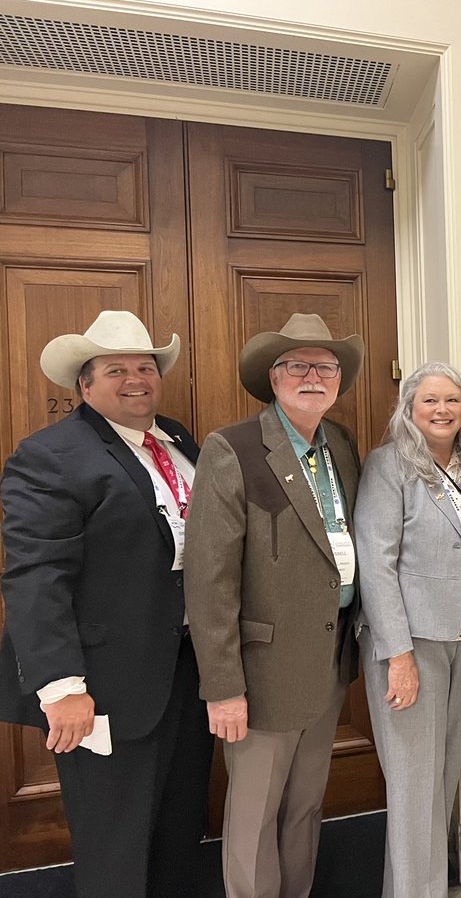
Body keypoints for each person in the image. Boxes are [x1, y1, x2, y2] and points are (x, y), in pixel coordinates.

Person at [0, 310, 212, 897]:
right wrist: (62, 688)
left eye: (145, 367)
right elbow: (36, 576)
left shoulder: (176, 439)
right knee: (115, 843)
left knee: (178, 830)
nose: (135, 379)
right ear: (85, 386)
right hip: (104, 687)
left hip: (185, 674)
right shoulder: (52, 455)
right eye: (115, 369)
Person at [185, 313, 364, 898]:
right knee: (254, 816)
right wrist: (223, 686)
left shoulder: (340, 443)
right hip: (259, 677)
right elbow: (210, 580)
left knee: (305, 807)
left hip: (329, 664)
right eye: (298, 365)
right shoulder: (231, 448)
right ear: (273, 376)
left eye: (325, 366)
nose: (313, 376)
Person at [355, 361, 461, 898]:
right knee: (413, 789)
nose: (441, 410)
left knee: (443, 778)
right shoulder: (389, 467)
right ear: (409, 410)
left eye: (452, 400)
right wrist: (398, 655)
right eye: (429, 400)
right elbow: (376, 561)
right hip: (411, 645)